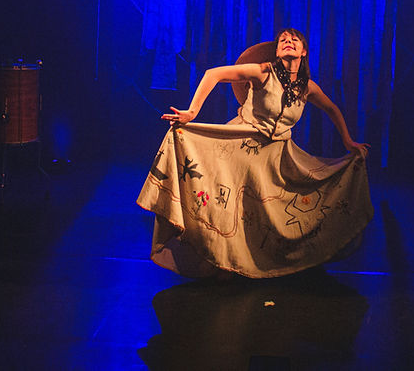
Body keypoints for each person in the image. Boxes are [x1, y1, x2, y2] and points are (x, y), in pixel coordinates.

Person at [136, 28, 373, 278]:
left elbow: (332, 108)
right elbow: (213, 74)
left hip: (275, 157)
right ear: (277, 51)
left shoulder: (306, 87)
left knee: (271, 215)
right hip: (240, 146)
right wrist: (192, 113)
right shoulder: (263, 72)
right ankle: (219, 263)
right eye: (283, 40)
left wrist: (348, 141)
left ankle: (268, 265)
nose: (288, 42)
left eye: (294, 40)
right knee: (225, 206)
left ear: (304, 52)